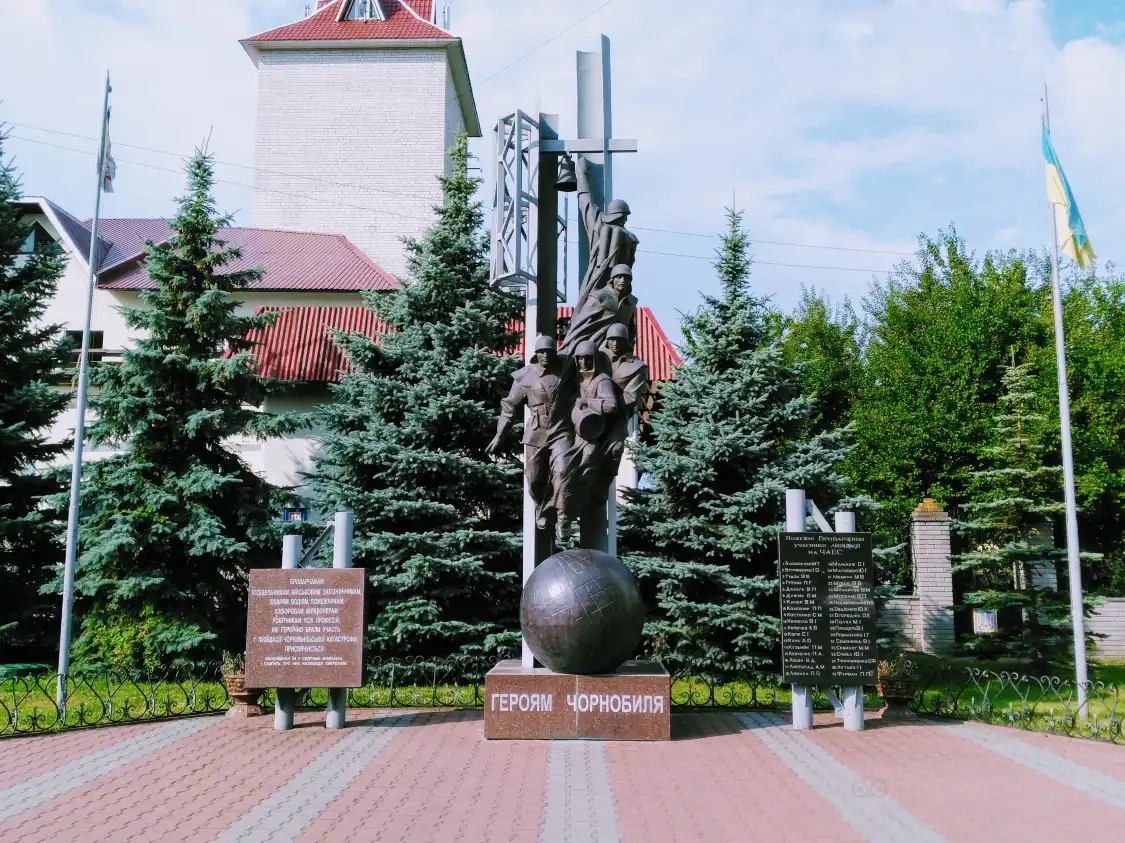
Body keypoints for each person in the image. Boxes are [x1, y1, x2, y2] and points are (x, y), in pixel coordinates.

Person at [487, 335, 576, 540]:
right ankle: (541, 507)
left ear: (555, 353)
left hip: (561, 430)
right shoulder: (526, 376)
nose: (545, 356)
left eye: (549, 352)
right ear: (536, 354)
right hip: (536, 432)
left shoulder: (566, 371)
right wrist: (500, 434)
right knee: (534, 478)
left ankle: (564, 518)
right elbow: (509, 406)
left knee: (563, 471)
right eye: (541, 352)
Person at [567, 153, 639, 320]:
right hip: (617, 292)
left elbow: (586, 204)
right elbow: (630, 264)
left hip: (596, 290)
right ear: (623, 216)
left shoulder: (599, 227)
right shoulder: (631, 238)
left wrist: (581, 175)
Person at [564, 340, 621, 516]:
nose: (584, 362)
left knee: (586, 464)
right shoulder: (575, 380)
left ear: (594, 359)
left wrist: (588, 402)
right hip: (574, 432)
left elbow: (611, 406)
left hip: (594, 433)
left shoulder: (602, 381)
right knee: (564, 466)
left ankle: (583, 499)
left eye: (588, 358)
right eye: (580, 359)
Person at [559, 264, 637, 356]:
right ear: (612, 279)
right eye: (619, 277)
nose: (622, 281)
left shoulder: (631, 302)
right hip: (596, 344)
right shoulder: (600, 297)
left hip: (620, 347)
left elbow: (631, 328)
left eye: (626, 278)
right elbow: (582, 324)